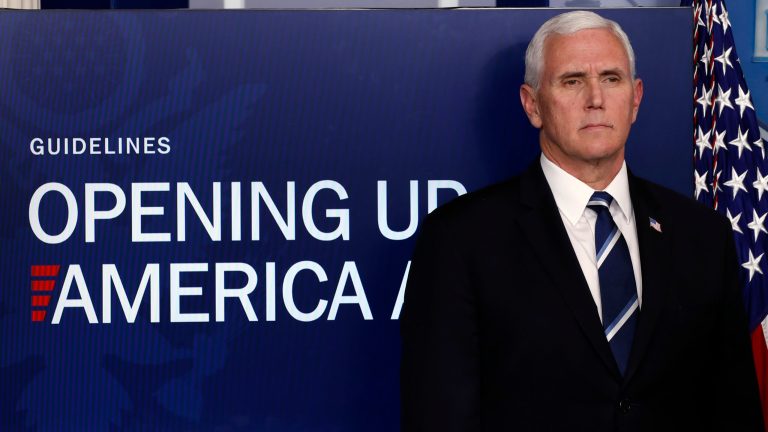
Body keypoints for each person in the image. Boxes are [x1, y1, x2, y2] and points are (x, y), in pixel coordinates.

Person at [400, 10, 763, 431]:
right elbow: (440, 415)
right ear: (532, 105)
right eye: (572, 81)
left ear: (635, 99)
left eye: (611, 78)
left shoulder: (702, 234)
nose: (595, 98)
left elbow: (734, 410)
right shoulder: (461, 239)